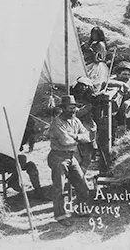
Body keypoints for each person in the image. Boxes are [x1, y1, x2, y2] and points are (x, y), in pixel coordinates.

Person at [47, 95, 90, 226]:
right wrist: (78, 138)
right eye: (70, 108)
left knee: (82, 184)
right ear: (63, 108)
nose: (73, 110)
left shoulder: (76, 121)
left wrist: (74, 136)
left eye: (75, 108)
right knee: (59, 188)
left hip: (71, 157)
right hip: (58, 157)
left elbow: (87, 136)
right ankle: (60, 216)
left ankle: (81, 210)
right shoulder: (57, 122)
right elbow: (65, 141)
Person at [70, 77, 100, 173]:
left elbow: (83, 112)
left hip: (86, 126)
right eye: (81, 86)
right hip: (73, 127)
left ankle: (81, 174)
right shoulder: (72, 99)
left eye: (85, 86)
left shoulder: (90, 103)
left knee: (87, 157)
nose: (82, 88)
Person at [105, 61, 130, 132]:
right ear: (118, 74)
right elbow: (105, 82)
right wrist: (121, 84)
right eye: (124, 74)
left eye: (128, 75)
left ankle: (125, 135)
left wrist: (129, 102)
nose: (126, 77)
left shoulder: (128, 83)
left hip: (121, 111)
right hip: (108, 111)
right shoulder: (111, 80)